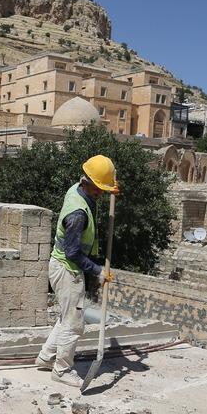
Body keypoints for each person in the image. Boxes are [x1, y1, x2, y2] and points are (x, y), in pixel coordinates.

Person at [36, 155, 118, 386]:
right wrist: (97, 271)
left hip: (63, 265)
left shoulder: (77, 188)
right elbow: (73, 253)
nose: (100, 194)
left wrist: (111, 188)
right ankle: (62, 370)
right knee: (74, 323)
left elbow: (99, 188)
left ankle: (46, 358)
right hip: (67, 269)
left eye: (103, 190)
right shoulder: (77, 214)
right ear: (86, 183)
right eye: (98, 190)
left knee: (66, 317)